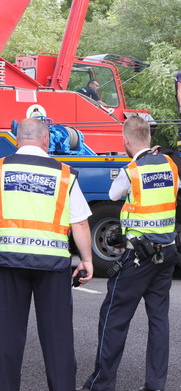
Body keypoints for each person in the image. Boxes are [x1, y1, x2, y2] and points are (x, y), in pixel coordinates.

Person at [81, 116, 181, 391]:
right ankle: (155, 385)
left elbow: (114, 194)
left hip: (137, 258)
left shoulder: (131, 171)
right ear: (150, 138)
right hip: (166, 254)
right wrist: (180, 215)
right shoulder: (172, 165)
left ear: (126, 141)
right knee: (158, 320)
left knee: (114, 318)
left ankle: (101, 385)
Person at [0, 117, 93, 391]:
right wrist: (87, 260)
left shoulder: (1, 170)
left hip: (7, 262)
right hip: (52, 266)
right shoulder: (64, 174)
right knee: (58, 340)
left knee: (6, 339)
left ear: (17, 140)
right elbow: (80, 223)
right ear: (46, 140)